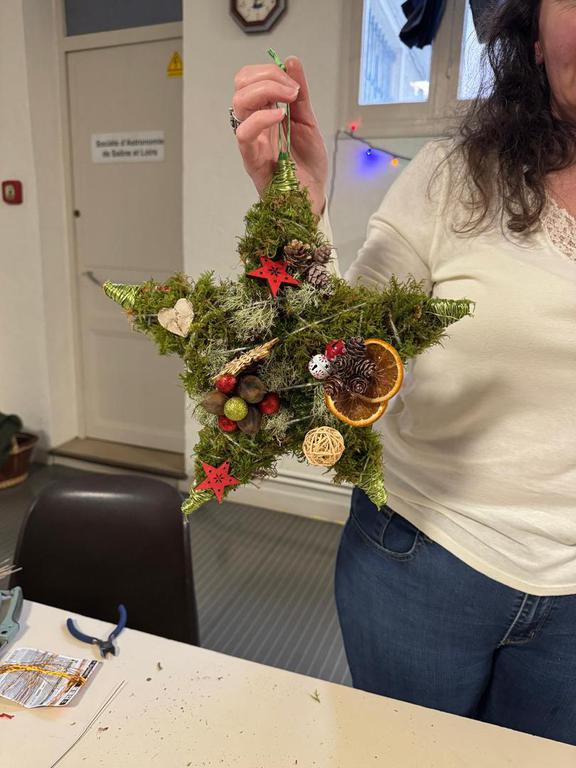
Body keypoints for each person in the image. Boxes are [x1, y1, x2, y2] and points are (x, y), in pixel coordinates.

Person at [230, 0, 576, 747]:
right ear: (534, 37)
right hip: (423, 562)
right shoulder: (455, 180)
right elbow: (339, 377)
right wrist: (296, 217)